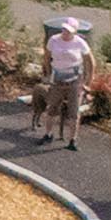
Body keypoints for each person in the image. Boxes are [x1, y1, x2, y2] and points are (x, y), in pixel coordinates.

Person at [39, 15, 92, 147]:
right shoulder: (53, 40)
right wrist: (47, 73)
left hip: (74, 81)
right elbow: (46, 57)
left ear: (74, 32)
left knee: (73, 111)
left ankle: (72, 140)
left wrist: (88, 81)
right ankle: (48, 134)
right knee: (52, 108)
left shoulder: (80, 43)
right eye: (64, 30)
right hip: (57, 79)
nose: (65, 33)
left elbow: (90, 61)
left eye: (68, 31)